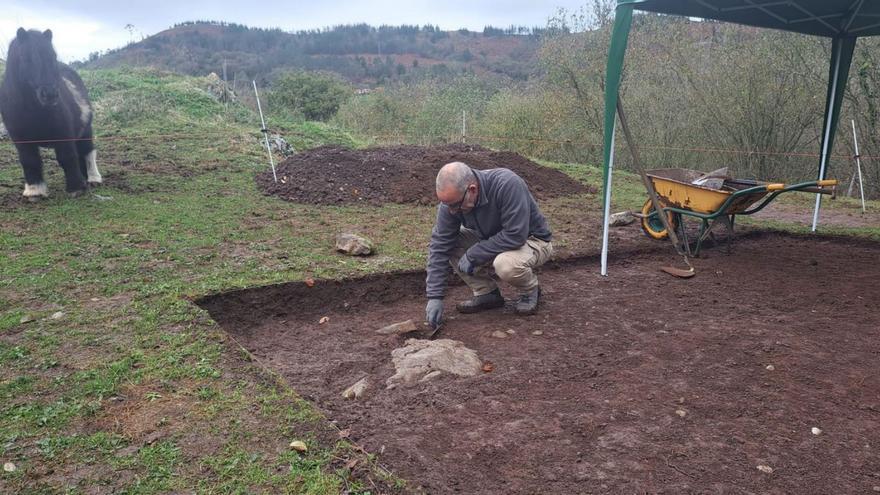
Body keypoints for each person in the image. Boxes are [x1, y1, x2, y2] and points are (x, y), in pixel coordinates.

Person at [425, 161, 554, 329]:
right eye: (447, 205)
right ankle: (487, 293)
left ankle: (530, 290)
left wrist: (474, 254)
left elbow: (515, 235)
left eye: (455, 205)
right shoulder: (453, 201)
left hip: (532, 240)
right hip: (494, 240)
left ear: (472, 190)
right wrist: (434, 297)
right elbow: (439, 245)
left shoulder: (507, 184)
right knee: (450, 242)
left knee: (505, 264)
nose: (452, 211)